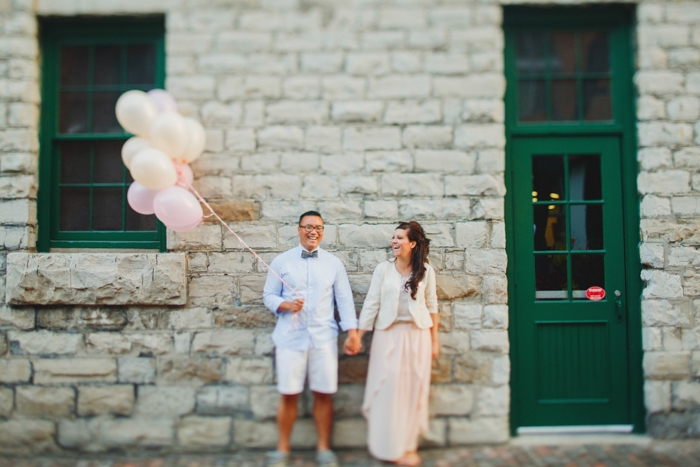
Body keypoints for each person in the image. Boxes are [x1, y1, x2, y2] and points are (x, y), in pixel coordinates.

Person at [263, 211, 362, 467]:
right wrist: (286, 304)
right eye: (308, 227)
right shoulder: (281, 261)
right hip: (289, 338)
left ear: (322, 231)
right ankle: (282, 448)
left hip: (323, 339)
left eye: (317, 227)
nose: (313, 231)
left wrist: (352, 333)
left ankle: (323, 447)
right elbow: (269, 296)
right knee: (288, 393)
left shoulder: (333, 264)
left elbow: (344, 301)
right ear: (298, 230)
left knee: (323, 393)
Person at [345, 221, 439, 466]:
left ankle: (408, 446)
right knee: (386, 389)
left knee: (413, 390)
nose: (394, 242)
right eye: (393, 237)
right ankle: (386, 445)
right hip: (388, 335)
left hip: (417, 336)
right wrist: (358, 335)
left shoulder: (426, 270)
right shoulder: (382, 270)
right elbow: (371, 304)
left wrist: (434, 340)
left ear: (412, 243)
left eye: (400, 237)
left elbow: (432, 307)